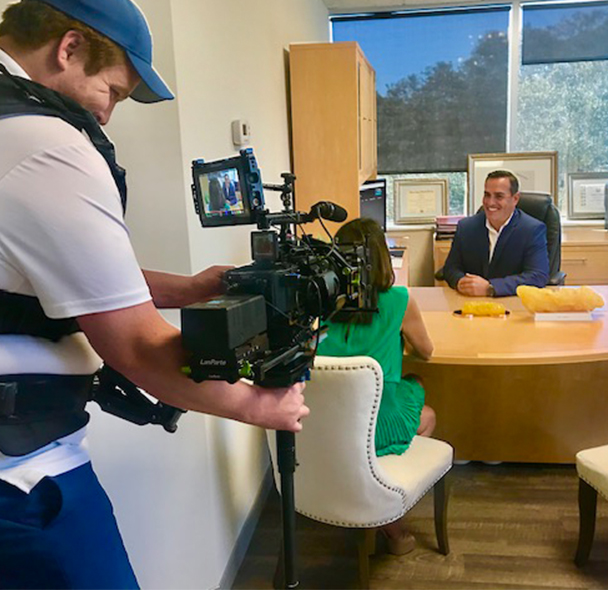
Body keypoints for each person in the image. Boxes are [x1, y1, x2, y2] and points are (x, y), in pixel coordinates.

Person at [0, 1, 308, 588]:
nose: (107, 114)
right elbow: (139, 348)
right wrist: (260, 407)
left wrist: (188, 289)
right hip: (23, 479)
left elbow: (69, 280)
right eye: (113, 91)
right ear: (69, 48)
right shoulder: (48, 146)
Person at [317, 218, 436, 555]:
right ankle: (388, 513)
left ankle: (359, 492)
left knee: (409, 389)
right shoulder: (398, 299)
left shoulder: (321, 302)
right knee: (425, 411)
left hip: (323, 424)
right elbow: (426, 351)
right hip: (375, 426)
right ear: (383, 258)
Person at [443, 170, 550, 297]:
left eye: (499, 196)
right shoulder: (466, 227)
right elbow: (450, 268)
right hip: (471, 302)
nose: (490, 202)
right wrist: (460, 281)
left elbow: (537, 276)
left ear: (515, 199)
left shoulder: (532, 230)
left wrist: (491, 287)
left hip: (512, 302)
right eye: (487, 195)